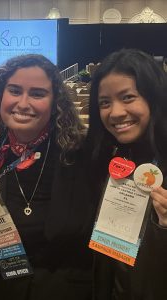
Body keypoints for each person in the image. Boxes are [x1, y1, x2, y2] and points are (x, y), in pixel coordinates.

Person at [0, 54, 97, 300]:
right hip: (9, 289)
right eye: (14, 90)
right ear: (0, 95)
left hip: (71, 291)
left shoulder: (79, 154)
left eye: (38, 94)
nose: (23, 103)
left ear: (55, 103)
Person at [85, 48, 167, 299]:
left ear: (154, 97)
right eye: (105, 103)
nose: (116, 112)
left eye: (128, 97)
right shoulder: (104, 160)